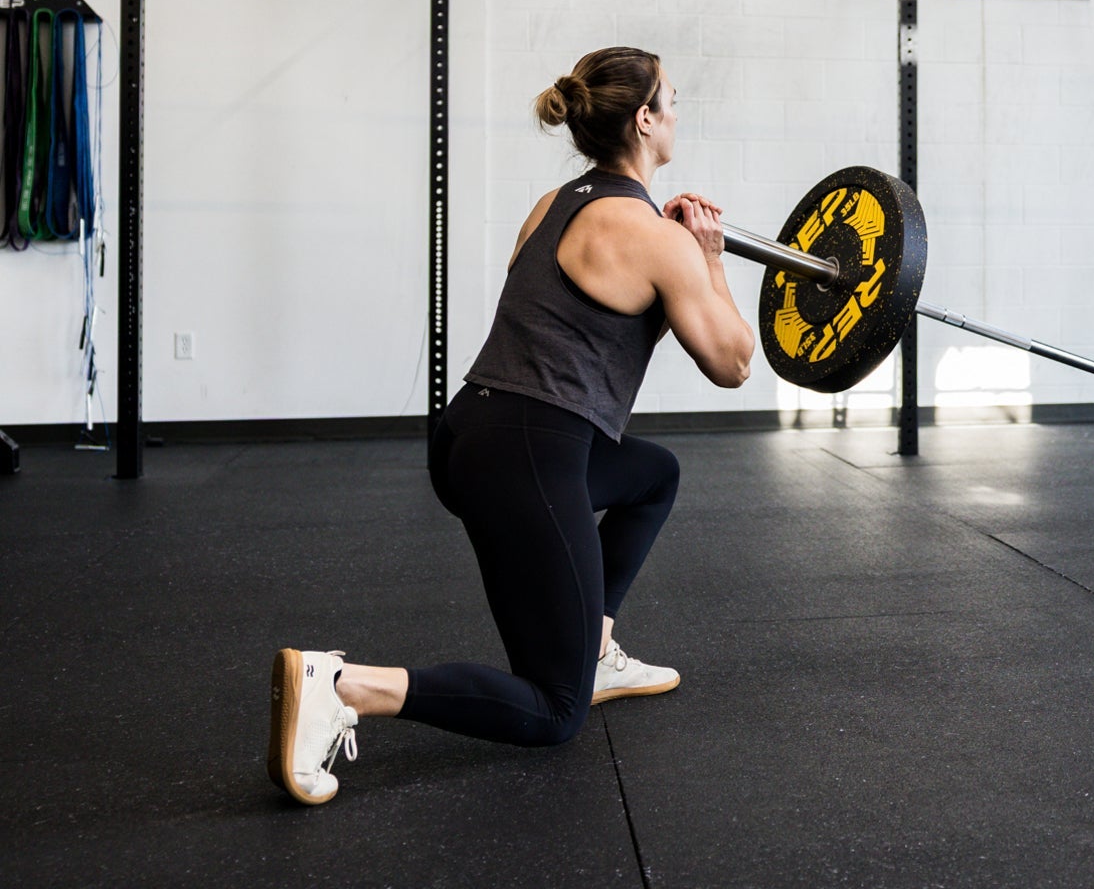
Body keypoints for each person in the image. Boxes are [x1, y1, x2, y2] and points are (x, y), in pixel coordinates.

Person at [268, 47, 756, 806]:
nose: (679, 115)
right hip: (530, 454)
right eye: (673, 102)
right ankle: (343, 685)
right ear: (645, 120)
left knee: (652, 475)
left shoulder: (551, 204)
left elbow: (561, 323)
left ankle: (592, 647)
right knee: (555, 712)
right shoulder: (661, 239)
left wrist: (676, 262)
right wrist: (710, 260)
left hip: (470, 434)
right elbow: (733, 363)